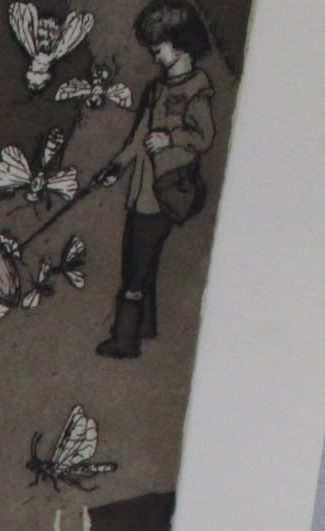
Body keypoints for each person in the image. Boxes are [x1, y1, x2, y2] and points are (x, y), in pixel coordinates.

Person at [95, 1, 220, 360]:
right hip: (142, 192)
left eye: (157, 47)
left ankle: (125, 340)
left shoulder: (197, 88)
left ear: (180, 44)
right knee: (142, 264)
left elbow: (204, 137)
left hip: (165, 194)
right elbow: (137, 139)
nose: (153, 55)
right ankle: (144, 327)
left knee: (134, 270)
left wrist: (170, 138)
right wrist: (116, 167)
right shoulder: (155, 89)